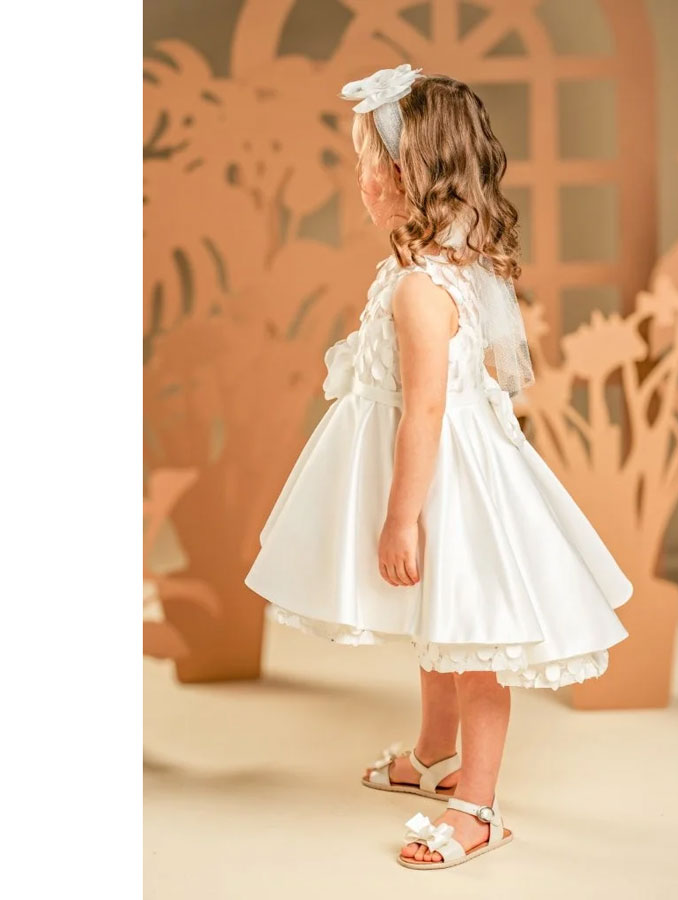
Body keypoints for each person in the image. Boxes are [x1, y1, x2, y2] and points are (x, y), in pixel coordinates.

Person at [245, 64, 632, 870]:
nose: (359, 180)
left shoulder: (422, 290)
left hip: (445, 484)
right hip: (434, 470)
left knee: (474, 640)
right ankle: (433, 754)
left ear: (404, 180)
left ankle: (478, 808)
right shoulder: (420, 271)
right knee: (437, 622)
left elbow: (425, 411)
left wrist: (401, 516)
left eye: (367, 164)